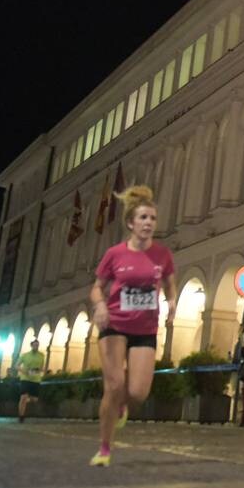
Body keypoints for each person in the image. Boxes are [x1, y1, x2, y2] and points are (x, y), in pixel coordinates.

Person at [87, 184, 178, 467]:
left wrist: (172, 303)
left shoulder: (162, 255)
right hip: (114, 323)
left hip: (146, 328)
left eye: (152, 218)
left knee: (138, 391)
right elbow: (96, 288)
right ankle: (104, 449)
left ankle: (124, 403)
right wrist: (100, 305)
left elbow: (170, 286)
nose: (148, 223)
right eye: (143, 218)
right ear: (130, 222)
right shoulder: (115, 254)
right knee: (113, 385)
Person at [16, 339, 47, 423]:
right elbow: (17, 366)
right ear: (31, 346)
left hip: (36, 379)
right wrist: (24, 371)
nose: (36, 346)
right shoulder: (25, 355)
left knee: (34, 399)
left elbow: (42, 367)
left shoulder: (41, 355)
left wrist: (40, 370)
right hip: (25, 378)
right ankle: (21, 416)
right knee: (23, 397)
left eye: (37, 345)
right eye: (35, 345)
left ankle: (28, 398)